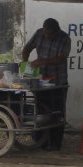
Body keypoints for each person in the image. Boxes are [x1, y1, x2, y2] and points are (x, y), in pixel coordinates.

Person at [21, 17, 71, 150]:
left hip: (58, 81)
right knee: (41, 110)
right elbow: (27, 48)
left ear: (57, 31)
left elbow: (62, 57)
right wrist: (26, 65)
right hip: (41, 81)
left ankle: (55, 143)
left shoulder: (65, 38)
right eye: (47, 34)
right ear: (44, 30)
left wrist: (44, 61)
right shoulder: (38, 34)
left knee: (57, 112)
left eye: (52, 35)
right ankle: (40, 141)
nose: (49, 37)